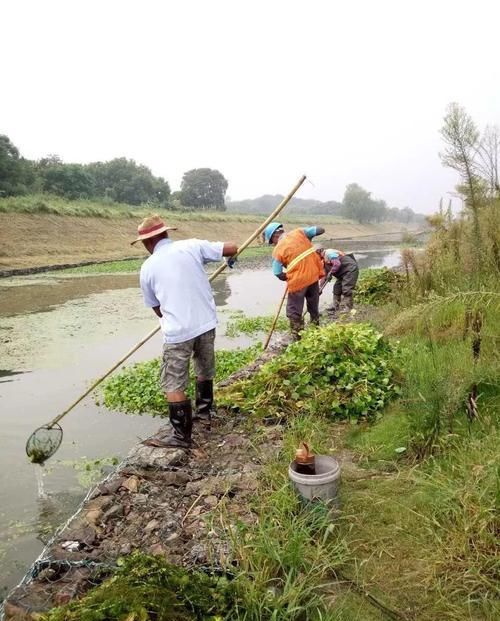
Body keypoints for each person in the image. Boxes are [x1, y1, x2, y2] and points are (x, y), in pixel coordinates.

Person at [132, 215, 238, 449]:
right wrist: (232, 257)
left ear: (148, 242)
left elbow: (157, 309)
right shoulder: (192, 246)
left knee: (173, 384)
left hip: (178, 332)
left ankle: (182, 436)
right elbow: (232, 247)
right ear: (165, 234)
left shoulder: (148, 267)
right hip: (206, 323)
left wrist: (171, 316)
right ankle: (204, 414)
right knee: (204, 369)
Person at [263, 222, 325, 339]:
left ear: (274, 237)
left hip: (298, 282)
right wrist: (307, 234)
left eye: (273, 242)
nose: (273, 245)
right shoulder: (299, 232)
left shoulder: (277, 250)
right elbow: (320, 229)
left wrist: (288, 276)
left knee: (293, 311)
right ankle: (316, 331)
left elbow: (277, 273)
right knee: (313, 306)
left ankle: (297, 336)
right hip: (313, 276)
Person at [319, 248, 359, 312]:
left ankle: (348, 307)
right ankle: (335, 306)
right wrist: (320, 288)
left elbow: (337, 264)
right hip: (342, 274)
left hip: (350, 270)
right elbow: (324, 276)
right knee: (336, 288)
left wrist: (331, 272)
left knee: (346, 289)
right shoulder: (323, 261)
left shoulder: (329, 253)